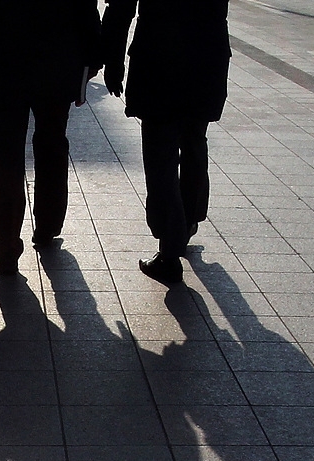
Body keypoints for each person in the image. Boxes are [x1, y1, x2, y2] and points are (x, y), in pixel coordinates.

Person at [0, 1, 104, 275]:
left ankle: (7, 241)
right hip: (57, 54)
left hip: (0, 58)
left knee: (3, 152)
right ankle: (48, 224)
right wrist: (93, 52)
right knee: (52, 142)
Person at [101, 0, 231, 284]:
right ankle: (187, 222)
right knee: (195, 141)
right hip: (207, 58)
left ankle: (170, 250)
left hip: (159, 61)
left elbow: (121, 7)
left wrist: (112, 59)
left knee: (161, 155)